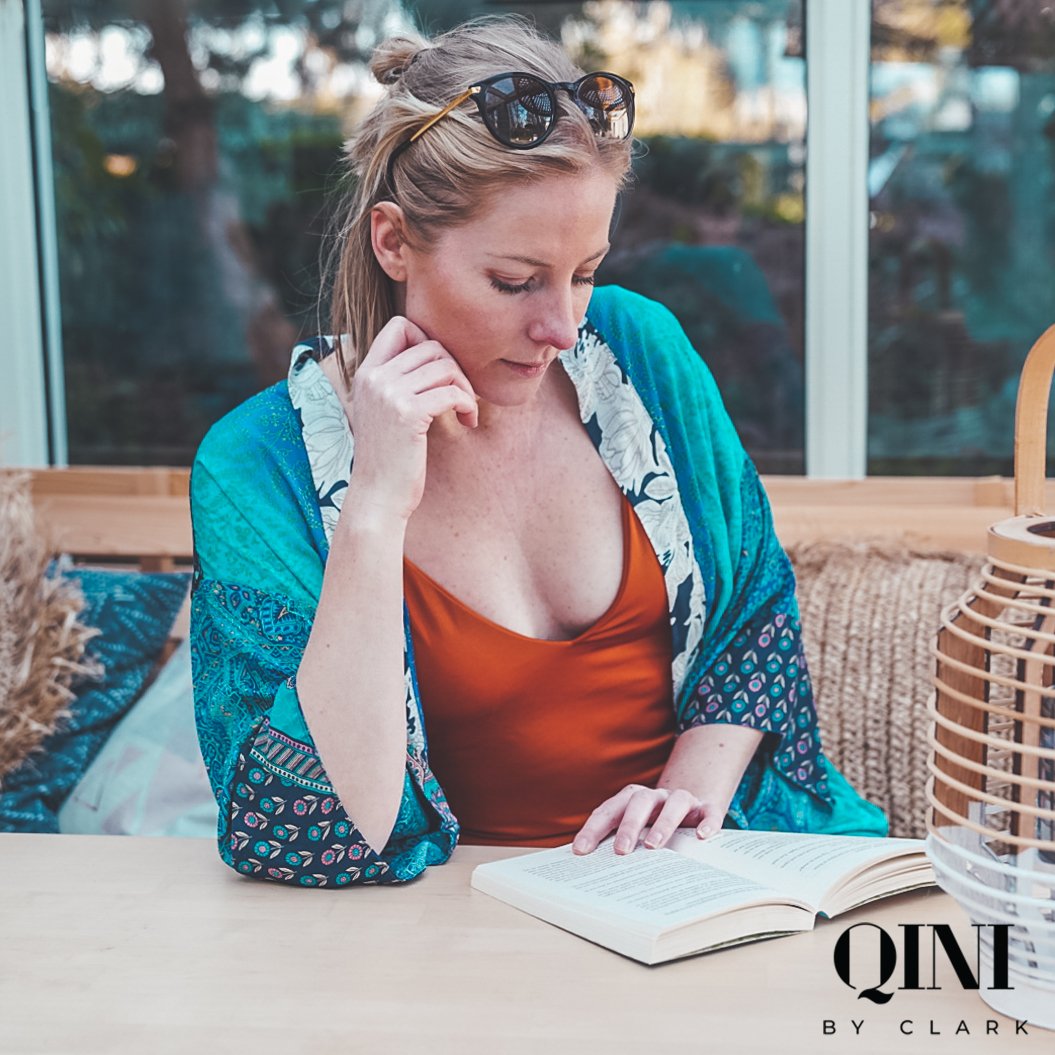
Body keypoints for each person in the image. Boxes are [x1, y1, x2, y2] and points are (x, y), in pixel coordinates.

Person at [189, 15, 887, 888]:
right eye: (515, 282)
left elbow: (753, 609)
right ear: (394, 241)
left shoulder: (640, 353)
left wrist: (685, 804)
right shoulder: (256, 466)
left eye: (585, 271)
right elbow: (310, 832)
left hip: (713, 882)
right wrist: (371, 512)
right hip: (456, 940)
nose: (561, 326)